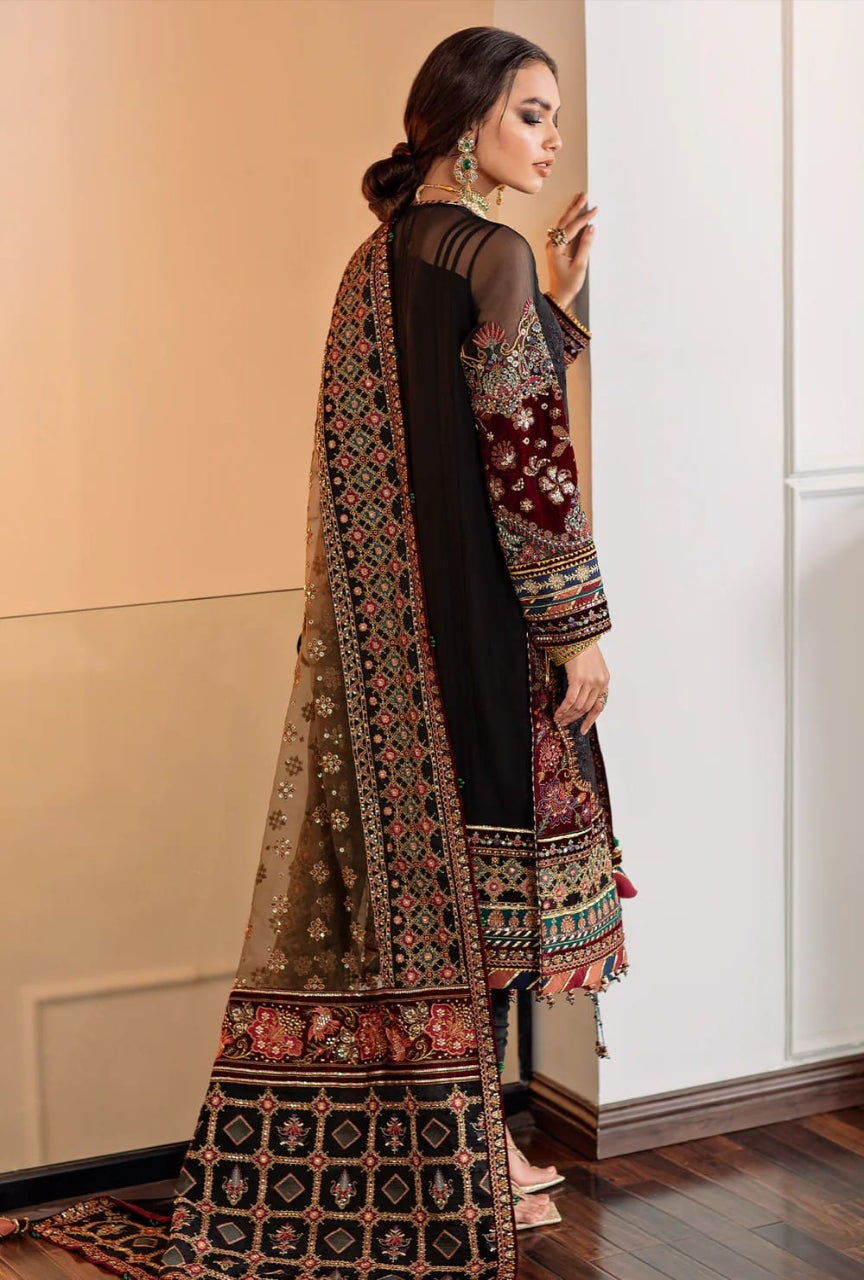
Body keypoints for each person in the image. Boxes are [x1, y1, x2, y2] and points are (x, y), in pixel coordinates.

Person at [1, 24, 635, 1274]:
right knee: (500, 880)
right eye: (529, 114)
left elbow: (450, 425)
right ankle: (487, 1152)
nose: (550, 139)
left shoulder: (376, 259)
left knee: (441, 879)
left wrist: (553, 308)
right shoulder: (489, 250)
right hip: (496, 623)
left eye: (554, 118)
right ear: (464, 124)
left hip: (398, 645)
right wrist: (581, 626)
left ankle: (471, 1142)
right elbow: (526, 461)